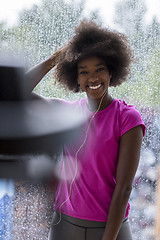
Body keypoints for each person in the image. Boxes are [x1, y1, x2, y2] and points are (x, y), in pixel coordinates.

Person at [26, 20, 146, 240]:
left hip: (111, 230)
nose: (92, 78)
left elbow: (124, 190)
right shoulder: (66, 114)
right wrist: (57, 57)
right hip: (64, 226)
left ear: (112, 72)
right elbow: (18, 93)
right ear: (76, 78)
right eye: (84, 72)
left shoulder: (127, 118)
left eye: (100, 69)